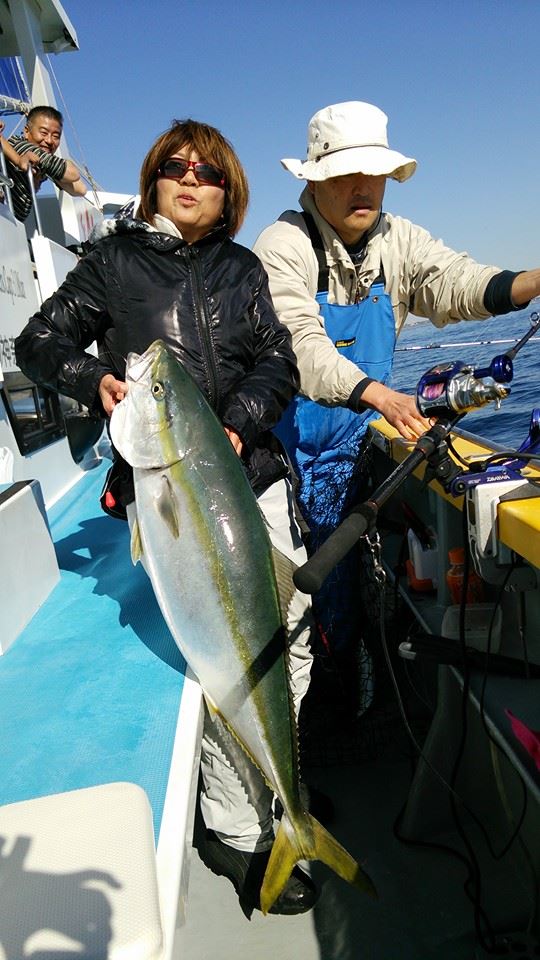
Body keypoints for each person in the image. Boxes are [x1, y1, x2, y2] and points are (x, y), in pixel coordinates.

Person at [14, 118, 320, 916]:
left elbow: (278, 361)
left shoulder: (241, 269)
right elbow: (37, 340)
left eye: (209, 171)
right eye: (174, 167)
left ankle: (286, 799)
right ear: (153, 179)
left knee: (289, 649)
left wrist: (239, 420)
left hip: (249, 483)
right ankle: (239, 831)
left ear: (229, 195)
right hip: (167, 489)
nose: (191, 178)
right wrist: (95, 381)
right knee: (214, 669)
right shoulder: (114, 264)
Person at [253, 100, 540, 703]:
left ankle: (349, 670)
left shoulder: (397, 239)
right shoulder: (283, 244)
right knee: (292, 604)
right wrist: (376, 392)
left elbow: (456, 281)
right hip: (284, 462)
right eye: (346, 173)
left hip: (356, 452)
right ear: (315, 179)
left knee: (354, 580)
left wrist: (532, 282)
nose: (363, 186)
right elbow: (298, 344)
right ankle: (315, 701)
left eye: (374, 172)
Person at [5, 105, 86, 222]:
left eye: (55, 136)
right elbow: (73, 173)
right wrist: (54, 167)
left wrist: (48, 170)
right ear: (27, 132)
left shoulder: (40, 162)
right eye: (43, 133)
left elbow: (80, 189)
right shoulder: (20, 147)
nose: (49, 141)